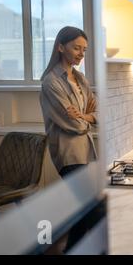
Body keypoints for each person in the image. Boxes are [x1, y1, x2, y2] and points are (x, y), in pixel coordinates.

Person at [40, 26, 97, 178]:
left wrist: (83, 116)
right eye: (77, 48)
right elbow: (75, 124)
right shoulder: (51, 82)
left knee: (88, 201)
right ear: (60, 47)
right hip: (69, 156)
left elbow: (98, 113)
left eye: (84, 50)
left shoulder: (81, 78)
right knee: (91, 201)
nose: (81, 54)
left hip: (86, 150)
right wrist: (87, 117)